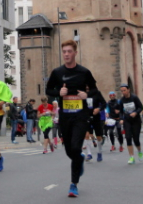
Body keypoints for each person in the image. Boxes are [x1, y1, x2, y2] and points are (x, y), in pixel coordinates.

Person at [45, 39, 99, 198]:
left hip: (81, 116)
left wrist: (86, 94)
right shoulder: (57, 72)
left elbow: (95, 90)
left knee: (76, 147)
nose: (66, 54)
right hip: (65, 116)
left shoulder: (84, 72)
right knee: (69, 150)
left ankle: (73, 184)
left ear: (75, 53)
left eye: (69, 51)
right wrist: (58, 93)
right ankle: (79, 159)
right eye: (64, 52)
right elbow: (48, 90)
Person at [119, 84, 143, 164]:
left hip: (136, 121)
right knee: (128, 138)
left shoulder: (134, 98)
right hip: (127, 121)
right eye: (122, 91)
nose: (123, 92)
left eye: (124, 90)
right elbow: (121, 112)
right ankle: (131, 157)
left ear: (128, 90)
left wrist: (135, 113)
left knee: (136, 139)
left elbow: (141, 107)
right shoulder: (122, 100)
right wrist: (121, 119)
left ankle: (139, 152)